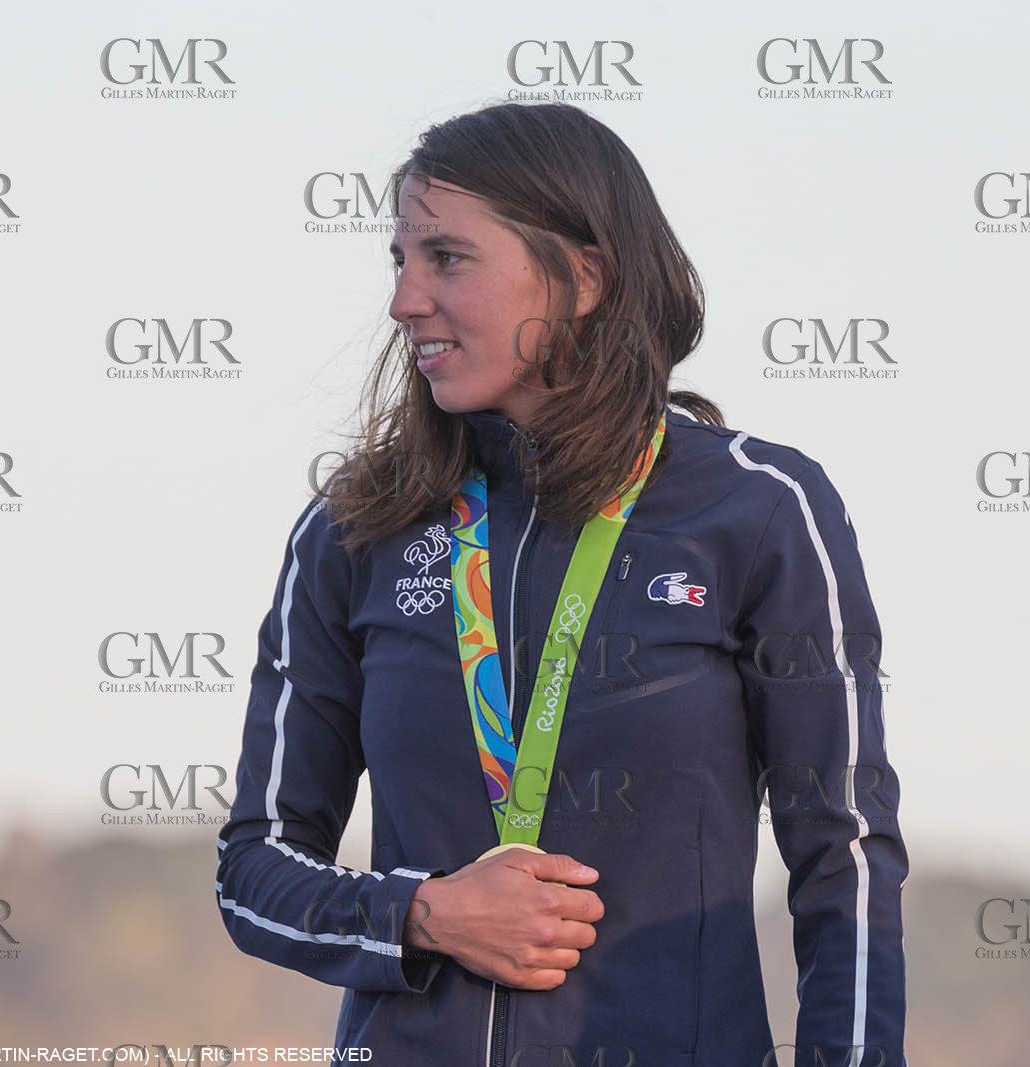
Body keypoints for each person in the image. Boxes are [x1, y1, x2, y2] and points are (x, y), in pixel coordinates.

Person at [215, 102, 908, 1067]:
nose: (405, 300)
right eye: (399, 260)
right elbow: (252, 873)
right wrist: (424, 912)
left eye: (447, 258)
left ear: (583, 276)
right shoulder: (354, 528)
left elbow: (846, 858)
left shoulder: (759, 508)